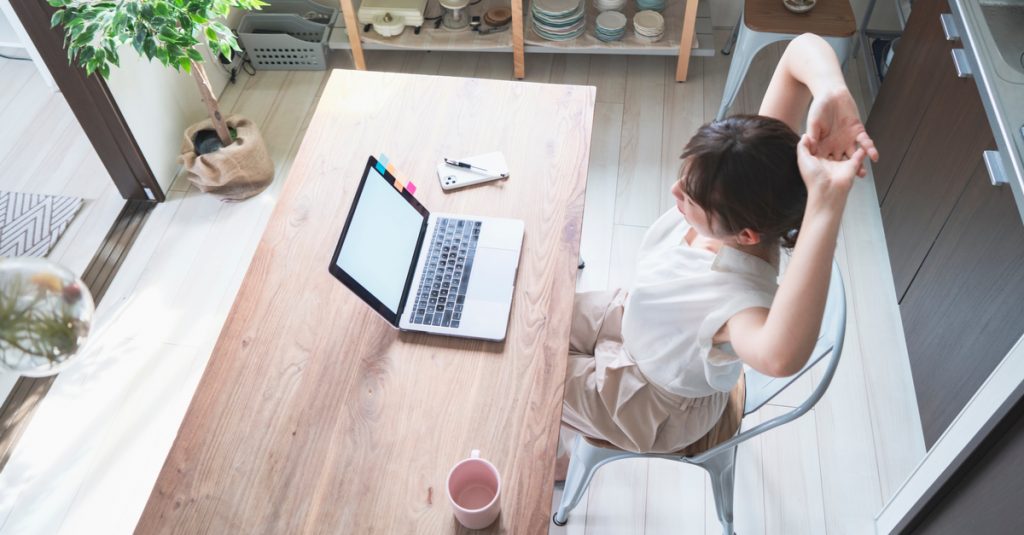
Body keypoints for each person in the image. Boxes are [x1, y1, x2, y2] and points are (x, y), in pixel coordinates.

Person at [559, 33, 880, 461]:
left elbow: (781, 357)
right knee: (537, 316)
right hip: (640, 319)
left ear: (744, 235)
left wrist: (827, 205)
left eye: (689, 199)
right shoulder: (748, 175)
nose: (674, 190)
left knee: (528, 371)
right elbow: (799, 50)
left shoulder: (739, 308)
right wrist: (833, 92)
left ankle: (557, 458)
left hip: (650, 401)